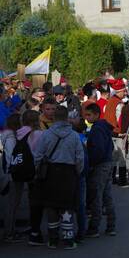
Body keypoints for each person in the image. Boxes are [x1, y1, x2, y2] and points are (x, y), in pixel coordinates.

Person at [35, 106, 84, 249]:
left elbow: (38, 156)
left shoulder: (46, 134)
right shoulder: (74, 135)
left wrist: (38, 171)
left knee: (52, 206)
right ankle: (68, 239)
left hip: (50, 172)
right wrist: (77, 171)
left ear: (54, 118)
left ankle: (53, 239)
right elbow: (80, 157)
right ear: (67, 118)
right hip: (68, 173)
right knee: (67, 206)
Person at [84, 103, 116, 238]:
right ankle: (111, 225)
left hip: (100, 165)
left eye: (89, 115)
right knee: (107, 196)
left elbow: (98, 150)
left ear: (96, 114)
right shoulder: (103, 127)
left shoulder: (97, 129)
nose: (86, 117)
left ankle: (94, 227)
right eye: (85, 114)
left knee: (97, 196)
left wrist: (91, 162)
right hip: (107, 163)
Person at [2, 114, 22, 242]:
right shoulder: (11, 138)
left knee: (10, 205)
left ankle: (10, 230)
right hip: (11, 176)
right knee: (11, 205)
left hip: (7, 175)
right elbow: (11, 157)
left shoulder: (5, 135)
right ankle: (9, 232)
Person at [104, 79, 127, 186]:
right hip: (118, 132)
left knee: (113, 156)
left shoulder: (110, 101)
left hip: (109, 131)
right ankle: (122, 179)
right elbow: (120, 119)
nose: (125, 93)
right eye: (124, 91)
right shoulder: (119, 104)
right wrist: (122, 131)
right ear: (119, 92)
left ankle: (112, 178)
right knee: (122, 156)